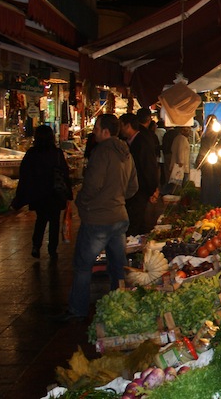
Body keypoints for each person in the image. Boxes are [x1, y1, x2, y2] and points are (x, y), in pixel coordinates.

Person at [61, 114, 137, 322]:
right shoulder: (126, 153)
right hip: (120, 216)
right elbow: (133, 187)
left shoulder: (102, 152)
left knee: (83, 266)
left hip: (99, 219)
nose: (94, 132)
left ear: (105, 131)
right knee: (117, 266)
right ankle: (119, 307)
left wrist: (82, 202)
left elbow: (92, 185)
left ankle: (77, 309)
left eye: (96, 128)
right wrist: (117, 197)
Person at [11, 125, 73, 259]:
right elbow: (64, 173)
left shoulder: (32, 153)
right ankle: (52, 250)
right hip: (54, 193)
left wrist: (21, 196)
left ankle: (36, 245)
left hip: (38, 193)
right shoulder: (56, 153)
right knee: (54, 222)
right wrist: (68, 193)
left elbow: (24, 174)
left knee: (41, 219)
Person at [120, 113, 160, 236]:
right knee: (136, 221)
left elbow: (148, 167)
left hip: (140, 189)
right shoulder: (129, 142)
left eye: (121, 125)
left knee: (136, 222)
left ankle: (134, 250)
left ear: (128, 126)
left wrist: (152, 189)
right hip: (134, 189)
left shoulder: (141, 142)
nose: (119, 129)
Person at [196, 114, 221, 207]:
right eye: (208, 123)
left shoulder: (220, 137)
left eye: (212, 122)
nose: (210, 125)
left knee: (215, 188)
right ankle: (206, 208)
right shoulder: (205, 138)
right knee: (206, 188)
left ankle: (214, 207)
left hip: (218, 167)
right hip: (207, 167)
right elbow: (202, 151)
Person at [163, 126, 191, 193]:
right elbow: (180, 151)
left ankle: (167, 192)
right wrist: (180, 162)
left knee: (173, 182)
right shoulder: (182, 139)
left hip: (177, 164)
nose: (189, 132)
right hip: (181, 166)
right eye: (186, 130)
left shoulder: (177, 138)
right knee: (177, 182)